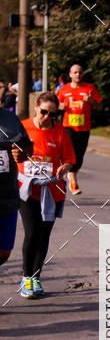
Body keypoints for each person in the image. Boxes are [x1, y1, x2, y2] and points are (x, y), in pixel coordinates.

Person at [16, 92, 76, 297]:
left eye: (52, 114)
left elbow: (69, 159)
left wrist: (65, 167)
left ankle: (35, 277)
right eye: (44, 112)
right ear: (36, 107)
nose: (47, 117)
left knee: (43, 236)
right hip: (27, 189)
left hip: (51, 191)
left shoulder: (59, 131)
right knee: (31, 233)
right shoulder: (23, 127)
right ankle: (26, 278)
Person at [57, 63, 102, 195]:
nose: (78, 74)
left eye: (80, 72)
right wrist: (60, 107)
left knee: (80, 155)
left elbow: (100, 106)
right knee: (71, 153)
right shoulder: (64, 89)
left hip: (84, 127)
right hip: (68, 126)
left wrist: (91, 101)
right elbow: (57, 105)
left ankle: (72, 175)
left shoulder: (89, 88)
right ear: (70, 75)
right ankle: (72, 180)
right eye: (75, 72)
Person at [0, 108, 33, 270]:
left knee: (4, 252)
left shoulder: (11, 119)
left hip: (7, 197)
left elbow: (27, 147)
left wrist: (22, 154)